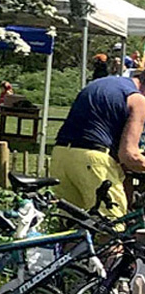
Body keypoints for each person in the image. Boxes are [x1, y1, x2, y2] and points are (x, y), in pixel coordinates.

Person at [50, 73, 145, 217]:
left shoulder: (102, 83)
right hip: (93, 161)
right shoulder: (137, 99)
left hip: (61, 156)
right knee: (110, 223)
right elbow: (129, 155)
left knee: (72, 223)